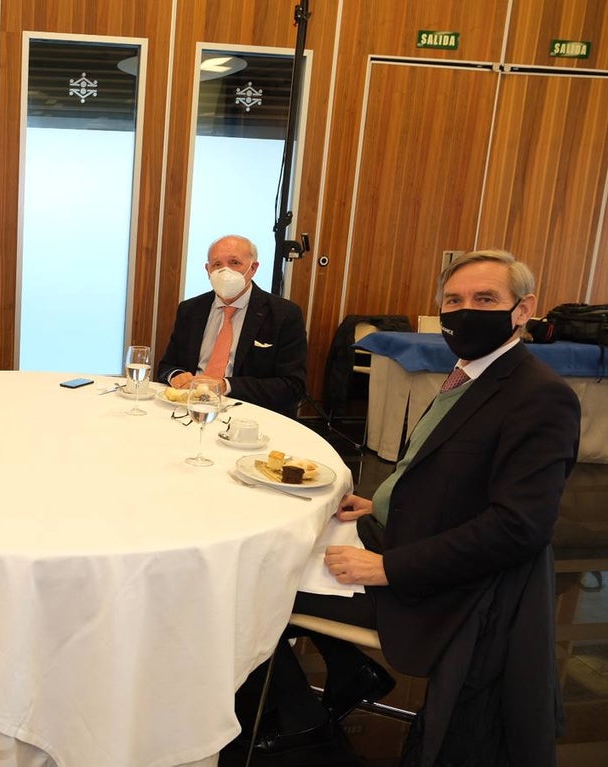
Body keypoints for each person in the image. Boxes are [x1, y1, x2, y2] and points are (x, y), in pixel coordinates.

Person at [248, 250, 581, 765]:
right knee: (279, 543)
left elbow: (520, 526)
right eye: (454, 300)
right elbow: (435, 472)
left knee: (253, 578)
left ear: (522, 309)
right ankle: (343, 673)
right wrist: (379, 502)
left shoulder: (539, 396)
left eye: (485, 298)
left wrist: (387, 568)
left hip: (442, 587)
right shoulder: (469, 375)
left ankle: (300, 719)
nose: (464, 311)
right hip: (402, 538)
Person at [157, 235, 307, 417]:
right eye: (217, 264)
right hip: (187, 409)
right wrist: (176, 375)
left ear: (253, 268)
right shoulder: (190, 309)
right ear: (207, 270)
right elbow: (167, 365)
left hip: (248, 415)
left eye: (234, 263)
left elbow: (292, 386)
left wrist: (225, 385)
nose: (225, 271)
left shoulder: (284, 314)